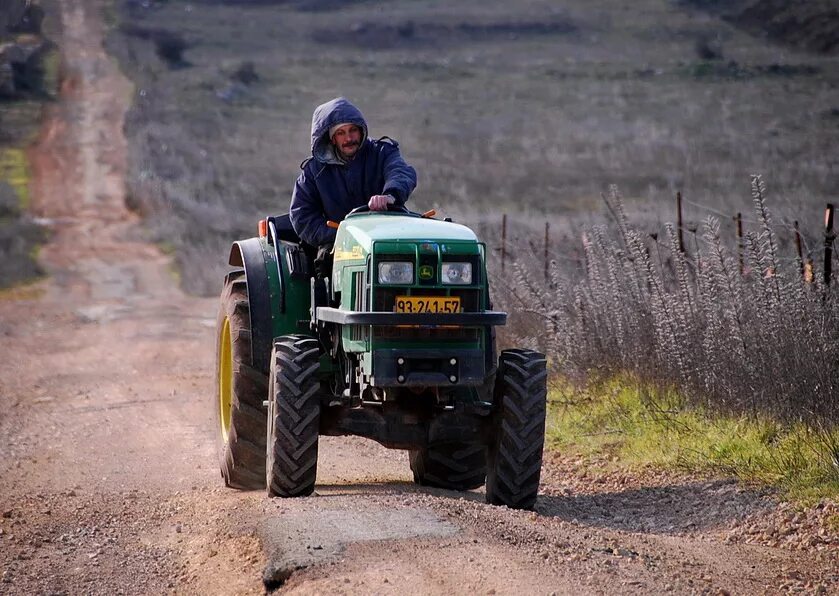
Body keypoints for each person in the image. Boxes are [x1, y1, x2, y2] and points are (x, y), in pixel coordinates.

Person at [289, 97, 418, 257]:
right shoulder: (314, 171)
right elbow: (302, 215)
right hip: (339, 247)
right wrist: (339, 235)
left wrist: (390, 196)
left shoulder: (383, 152)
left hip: (386, 238)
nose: (349, 139)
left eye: (353, 130)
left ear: (361, 130)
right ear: (332, 139)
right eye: (341, 133)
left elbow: (401, 172)